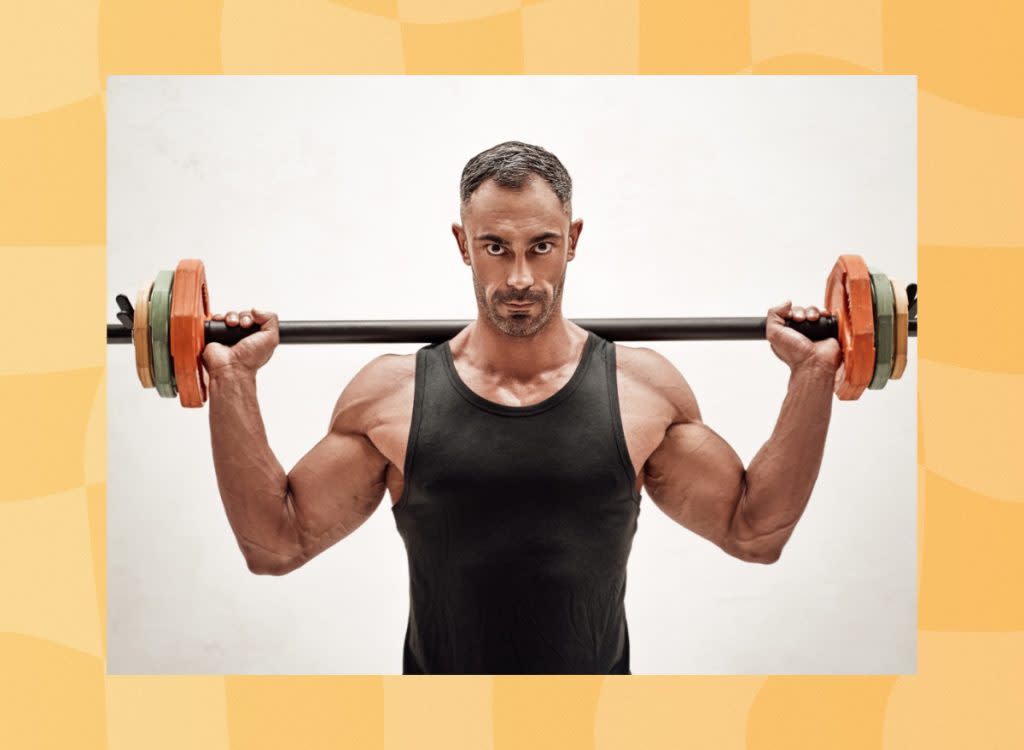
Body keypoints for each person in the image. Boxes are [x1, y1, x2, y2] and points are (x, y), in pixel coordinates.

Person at [201, 141, 842, 675]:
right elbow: (275, 546)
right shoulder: (392, 398)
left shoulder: (641, 391)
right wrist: (232, 380)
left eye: (541, 245)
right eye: (495, 247)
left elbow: (753, 533)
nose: (519, 280)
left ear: (573, 240)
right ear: (462, 243)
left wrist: (813, 374)